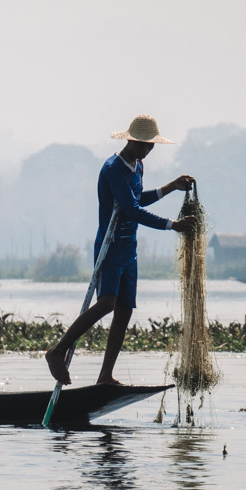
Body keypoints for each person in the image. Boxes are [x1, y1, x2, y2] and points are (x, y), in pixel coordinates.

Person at [44, 114, 196, 386]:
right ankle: (57, 352)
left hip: (130, 249)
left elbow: (138, 197)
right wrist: (172, 225)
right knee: (106, 303)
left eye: (151, 146)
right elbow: (131, 209)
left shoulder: (137, 166)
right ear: (130, 140)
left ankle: (105, 377)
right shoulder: (113, 168)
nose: (147, 150)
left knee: (124, 310)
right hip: (111, 246)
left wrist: (172, 187)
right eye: (143, 144)